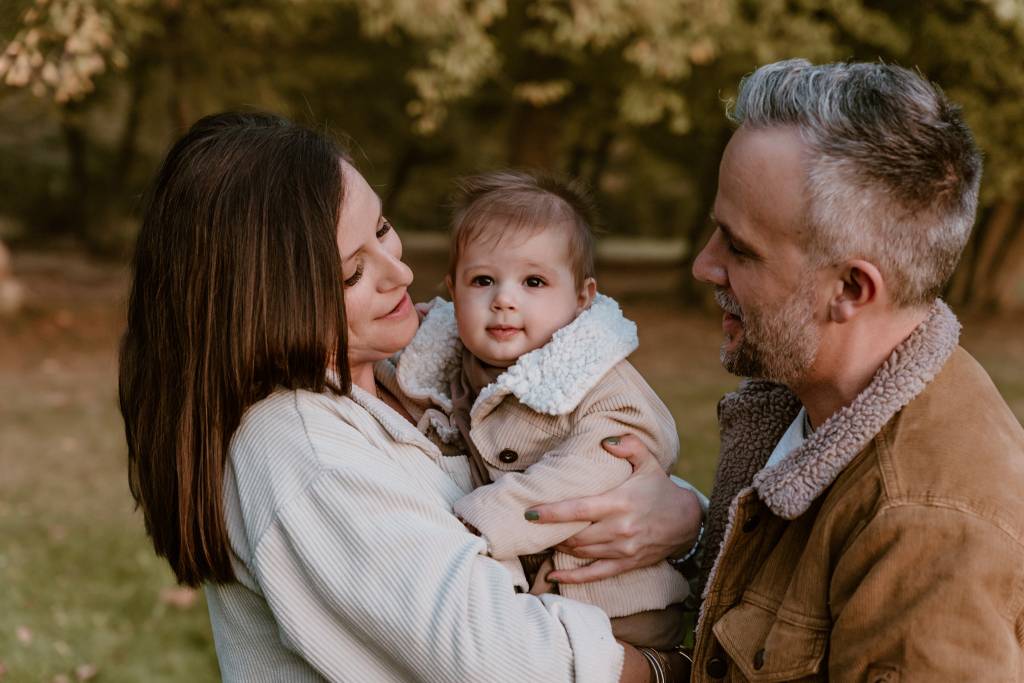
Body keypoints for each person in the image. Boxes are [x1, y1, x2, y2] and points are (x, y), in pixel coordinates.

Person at [119, 111, 703, 682]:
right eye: (352, 272)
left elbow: (567, 454)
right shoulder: (302, 451)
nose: (398, 272)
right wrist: (670, 670)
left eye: (381, 229)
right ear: (269, 303)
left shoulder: (425, 372)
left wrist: (683, 516)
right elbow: (508, 659)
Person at [679, 60, 1024, 679]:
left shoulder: (924, 532)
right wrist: (686, 530)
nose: (704, 266)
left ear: (851, 289)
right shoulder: (810, 400)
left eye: (739, 247)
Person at [394, 170, 699, 650]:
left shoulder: (593, 376)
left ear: (582, 298)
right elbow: (413, 388)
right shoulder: (459, 361)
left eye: (534, 281)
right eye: (483, 280)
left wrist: (477, 524)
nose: (504, 300)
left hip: (616, 608)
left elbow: (595, 466)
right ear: (453, 290)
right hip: (542, 610)